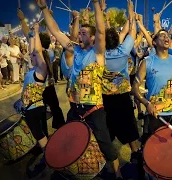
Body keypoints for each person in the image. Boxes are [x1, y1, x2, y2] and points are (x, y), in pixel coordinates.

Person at [37, 0, 123, 178]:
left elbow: (100, 29)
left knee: (106, 144)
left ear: (92, 38)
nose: (80, 36)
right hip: (75, 108)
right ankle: (77, 170)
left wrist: (98, 7)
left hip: (94, 109)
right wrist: (44, 8)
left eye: (84, 33)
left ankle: (117, 173)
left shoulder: (98, 53)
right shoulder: (74, 50)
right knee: (71, 140)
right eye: (80, 33)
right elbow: (55, 30)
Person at [132, 29, 172, 137]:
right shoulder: (147, 62)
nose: (166, 37)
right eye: (162, 36)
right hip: (156, 115)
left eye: (167, 36)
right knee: (154, 150)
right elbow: (134, 88)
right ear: (154, 42)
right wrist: (147, 104)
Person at [101, 0, 140, 164]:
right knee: (129, 126)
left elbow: (106, 33)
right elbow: (131, 31)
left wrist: (103, 14)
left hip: (106, 99)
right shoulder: (124, 51)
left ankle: (110, 160)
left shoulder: (100, 54)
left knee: (108, 129)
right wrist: (131, 14)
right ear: (117, 40)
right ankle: (136, 155)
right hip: (123, 97)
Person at [21, 23, 49, 178]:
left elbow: (37, 51)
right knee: (40, 135)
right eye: (30, 56)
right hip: (30, 110)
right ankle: (46, 156)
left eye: (33, 56)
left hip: (36, 110)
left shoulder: (41, 70)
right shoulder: (33, 70)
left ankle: (48, 160)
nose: (31, 57)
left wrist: (37, 32)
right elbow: (33, 49)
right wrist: (32, 34)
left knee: (40, 136)